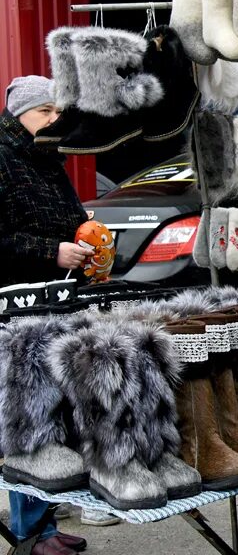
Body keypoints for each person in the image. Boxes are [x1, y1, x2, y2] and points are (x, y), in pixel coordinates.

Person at [0, 76, 93, 554]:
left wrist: (88, 231)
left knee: (56, 415)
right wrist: (50, 252)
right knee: (28, 416)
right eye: (45, 112)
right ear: (20, 116)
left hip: (55, 303)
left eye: (59, 110)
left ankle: (47, 524)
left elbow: (71, 217)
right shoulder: (2, 158)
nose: (56, 120)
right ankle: (30, 533)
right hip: (15, 312)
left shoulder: (48, 159)